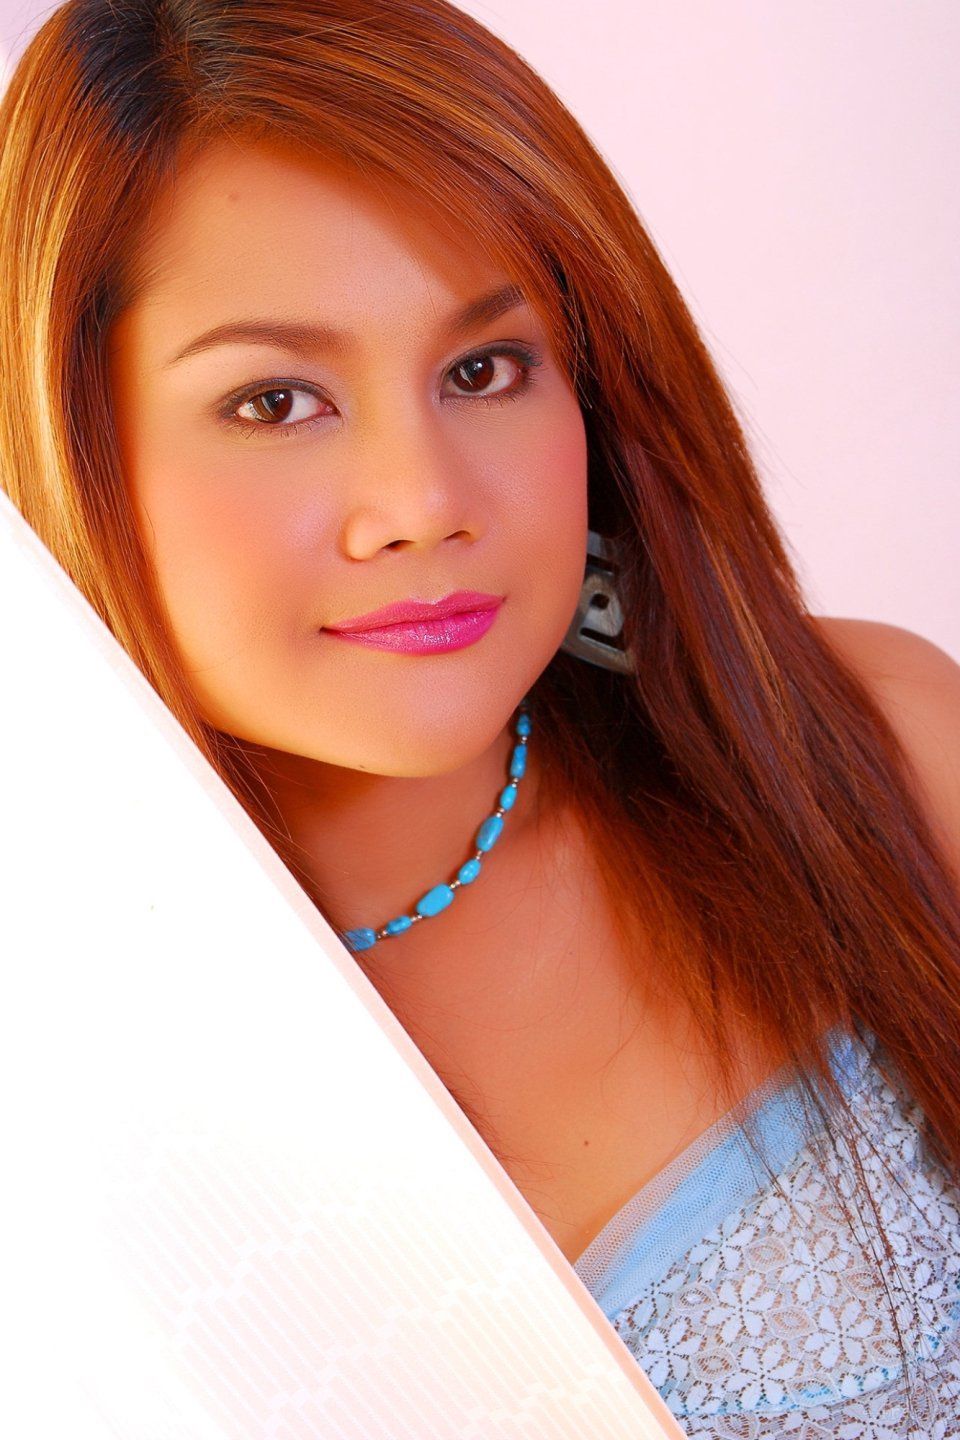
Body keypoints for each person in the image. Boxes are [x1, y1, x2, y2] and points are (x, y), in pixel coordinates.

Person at [1, 1, 959, 1433]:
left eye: (483, 369)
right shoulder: (49, 1043)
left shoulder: (865, 750)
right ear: (66, 434)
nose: (425, 505)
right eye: (275, 402)